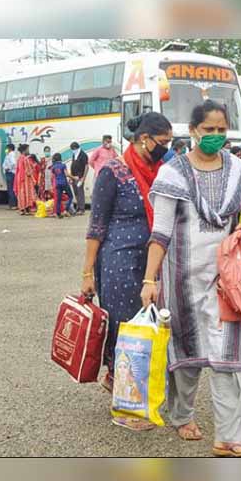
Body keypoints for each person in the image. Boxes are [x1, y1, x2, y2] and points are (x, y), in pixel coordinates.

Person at [142, 100, 241, 458]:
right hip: (181, 281)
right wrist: (150, 280)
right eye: (208, 130)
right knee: (188, 354)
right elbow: (160, 232)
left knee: (228, 356)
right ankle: (182, 414)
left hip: (227, 280)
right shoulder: (173, 174)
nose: (215, 136)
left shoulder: (240, 171)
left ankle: (228, 438)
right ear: (192, 131)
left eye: (221, 130)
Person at [80, 112, 171, 428]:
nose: (166, 148)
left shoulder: (161, 172)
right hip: (119, 262)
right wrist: (88, 272)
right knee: (126, 331)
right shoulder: (113, 172)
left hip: (151, 262)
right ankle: (127, 408)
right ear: (144, 138)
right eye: (163, 142)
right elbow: (97, 225)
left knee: (147, 329)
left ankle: (123, 386)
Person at [14, 144, 36, 215]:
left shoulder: (19, 158)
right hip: (26, 179)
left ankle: (22, 209)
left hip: (19, 178)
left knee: (21, 194)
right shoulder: (25, 159)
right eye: (28, 149)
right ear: (24, 150)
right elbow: (28, 171)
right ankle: (27, 209)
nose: (28, 151)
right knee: (27, 193)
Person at [51, 153, 74, 219]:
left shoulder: (53, 166)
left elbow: (52, 177)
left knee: (58, 199)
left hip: (57, 184)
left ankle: (58, 214)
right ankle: (66, 210)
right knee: (70, 196)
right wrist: (74, 177)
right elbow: (66, 174)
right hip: (64, 183)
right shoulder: (63, 165)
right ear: (60, 158)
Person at [69, 142, 89, 216]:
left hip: (80, 177)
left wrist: (83, 178)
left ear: (75, 148)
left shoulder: (83, 155)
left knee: (80, 192)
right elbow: (73, 164)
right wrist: (71, 176)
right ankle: (78, 207)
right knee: (76, 193)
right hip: (74, 176)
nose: (72, 151)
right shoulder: (74, 154)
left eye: (73, 149)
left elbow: (86, 166)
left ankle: (82, 209)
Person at [3, 143, 18, 209]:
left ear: (10, 148)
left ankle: (13, 205)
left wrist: (8, 168)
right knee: (11, 189)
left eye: (7, 148)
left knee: (11, 189)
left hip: (10, 173)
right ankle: (12, 205)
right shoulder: (8, 154)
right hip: (9, 173)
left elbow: (13, 163)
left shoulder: (11, 154)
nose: (6, 149)